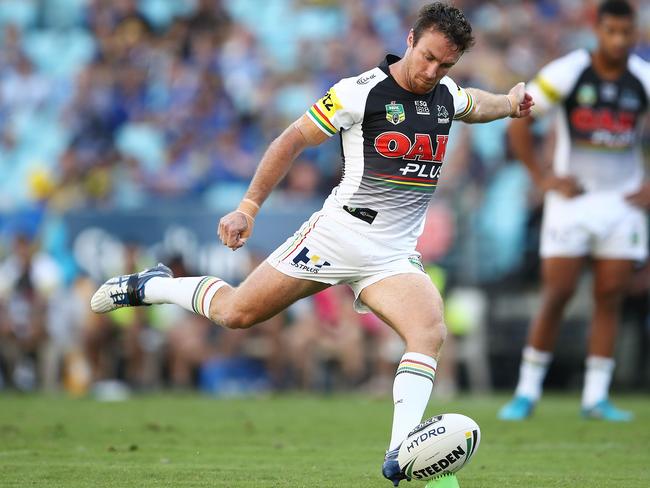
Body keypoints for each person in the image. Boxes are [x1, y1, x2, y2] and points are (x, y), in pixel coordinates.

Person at [91, 3, 533, 485]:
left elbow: (475, 103)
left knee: (429, 330)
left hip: (392, 255)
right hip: (337, 235)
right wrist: (249, 208)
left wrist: (509, 103)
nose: (432, 71)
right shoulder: (357, 93)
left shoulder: (446, 93)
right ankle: (154, 286)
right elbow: (290, 140)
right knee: (237, 313)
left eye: (444, 64)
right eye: (427, 56)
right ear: (409, 39)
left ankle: (398, 457)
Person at [499, 0, 650, 423]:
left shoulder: (642, 77)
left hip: (623, 205)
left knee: (609, 298)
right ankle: (526, 392)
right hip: (572, 201)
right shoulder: (567, 72)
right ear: (597, 30)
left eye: (626, 33)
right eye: (611, 32)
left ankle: (595, 397)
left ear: (634, 33)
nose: (619, 41)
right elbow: (520, 119)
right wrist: (543, 177)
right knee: (557, 293)